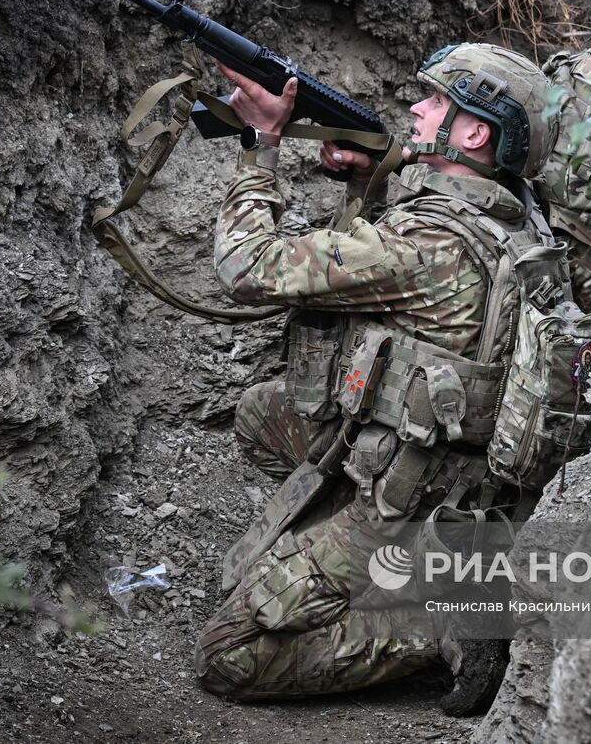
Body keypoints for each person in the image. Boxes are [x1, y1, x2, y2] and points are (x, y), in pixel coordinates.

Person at [192, 43, 562, 713]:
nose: (417, 109)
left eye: (437, 102)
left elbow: (249, 266)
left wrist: (259, 147)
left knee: (228, 653)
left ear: (474, 132)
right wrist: (364, 185)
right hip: (443, 474)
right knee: (261, 414)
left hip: (419, 503)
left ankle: (443, 620)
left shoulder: (431, 243)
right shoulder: (512, 216)